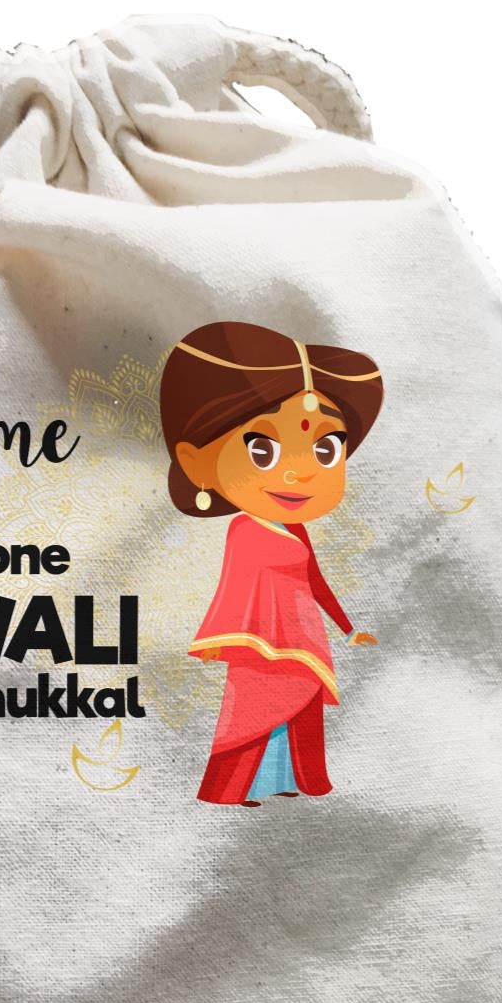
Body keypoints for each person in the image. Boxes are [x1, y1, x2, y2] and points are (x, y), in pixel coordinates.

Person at [160, 322, 384, 805]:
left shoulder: (297, 530)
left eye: (325, 448)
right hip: (260, 644)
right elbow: (235, 588)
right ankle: (232, 788)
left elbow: (315, 582)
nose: (300, 471)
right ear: (198, 464)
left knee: (299, 711)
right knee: (252, 713)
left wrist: (347, 630)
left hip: (303, 638)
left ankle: (286, 779)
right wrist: (233, 639)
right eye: (262, 450)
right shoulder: (245, 529)